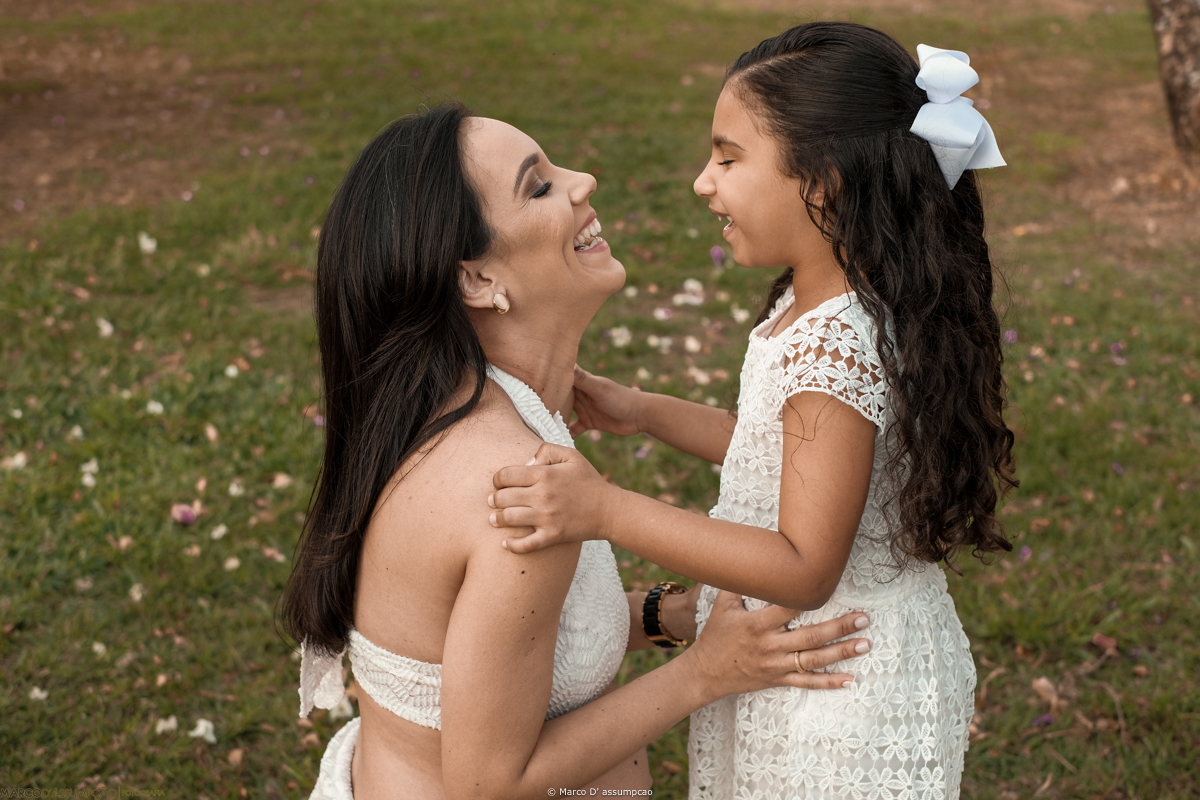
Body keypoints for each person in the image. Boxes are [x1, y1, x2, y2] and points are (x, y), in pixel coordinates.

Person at [278, 102, 873, 800]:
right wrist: (706, 672)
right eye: (540, 185)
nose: (584, 180)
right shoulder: (525, 496)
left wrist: (667, 616)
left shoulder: (465, 416)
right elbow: (488, 782)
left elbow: (500, 647)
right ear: (476, 280)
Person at [488, 22, 1018, 798]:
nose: (704, 181)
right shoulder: (833, 305)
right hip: (815, 659)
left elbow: (803, 566)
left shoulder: (834, 345)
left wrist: (605, 508)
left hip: (838, 683)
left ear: (825, 180)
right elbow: (782, 452)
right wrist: (644, 410)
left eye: (729, 157)